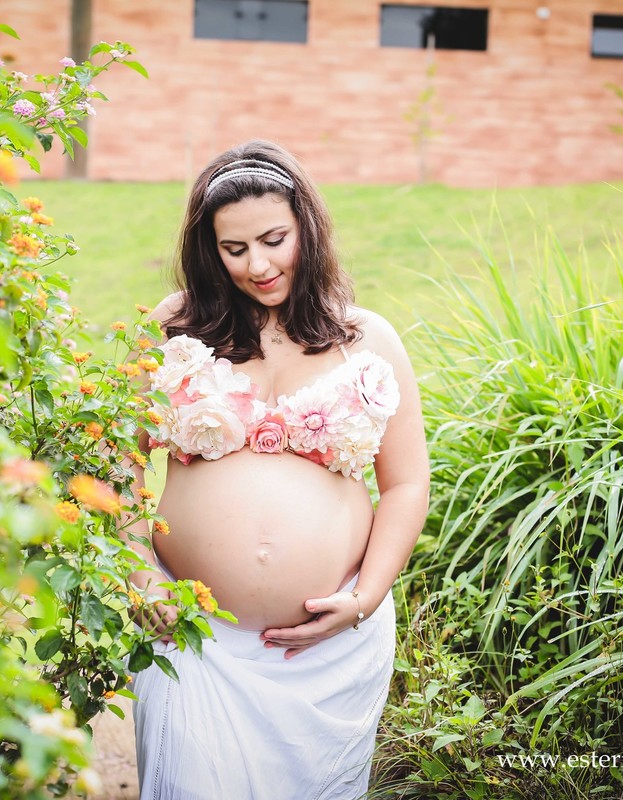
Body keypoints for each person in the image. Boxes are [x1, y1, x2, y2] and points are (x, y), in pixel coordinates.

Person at [124, 139, 430, 799]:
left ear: (308, 229)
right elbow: (110, 473)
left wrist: (366, 595)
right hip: (193, 638)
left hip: (331, 649)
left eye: (273, 239)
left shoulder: (368, 338)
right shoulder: (172, 329)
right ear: (210, 250)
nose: (257, 265)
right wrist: (140, 574)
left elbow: (405, 483)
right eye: (234, 250)